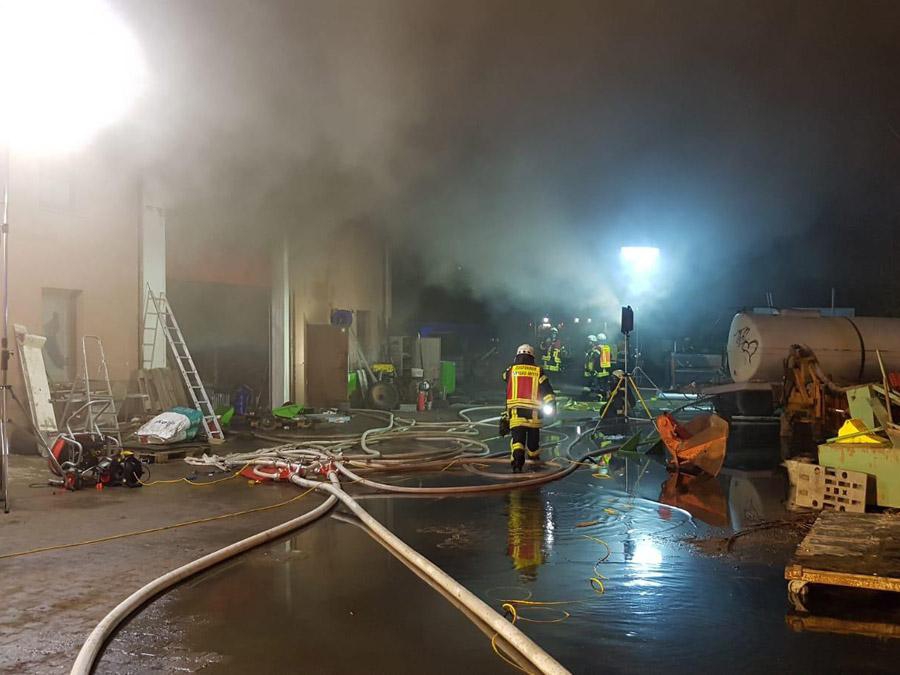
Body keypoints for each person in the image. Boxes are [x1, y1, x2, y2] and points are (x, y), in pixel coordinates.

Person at [502, 344, 556, 472]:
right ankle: (534, 462)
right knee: (533, 442)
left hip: (516, 412)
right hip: (534, 414)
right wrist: (552, 405)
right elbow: (547, 390)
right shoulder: (538, 371)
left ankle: (517, 464)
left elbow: (504, 377)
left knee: (517, 441)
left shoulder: (511, 370)